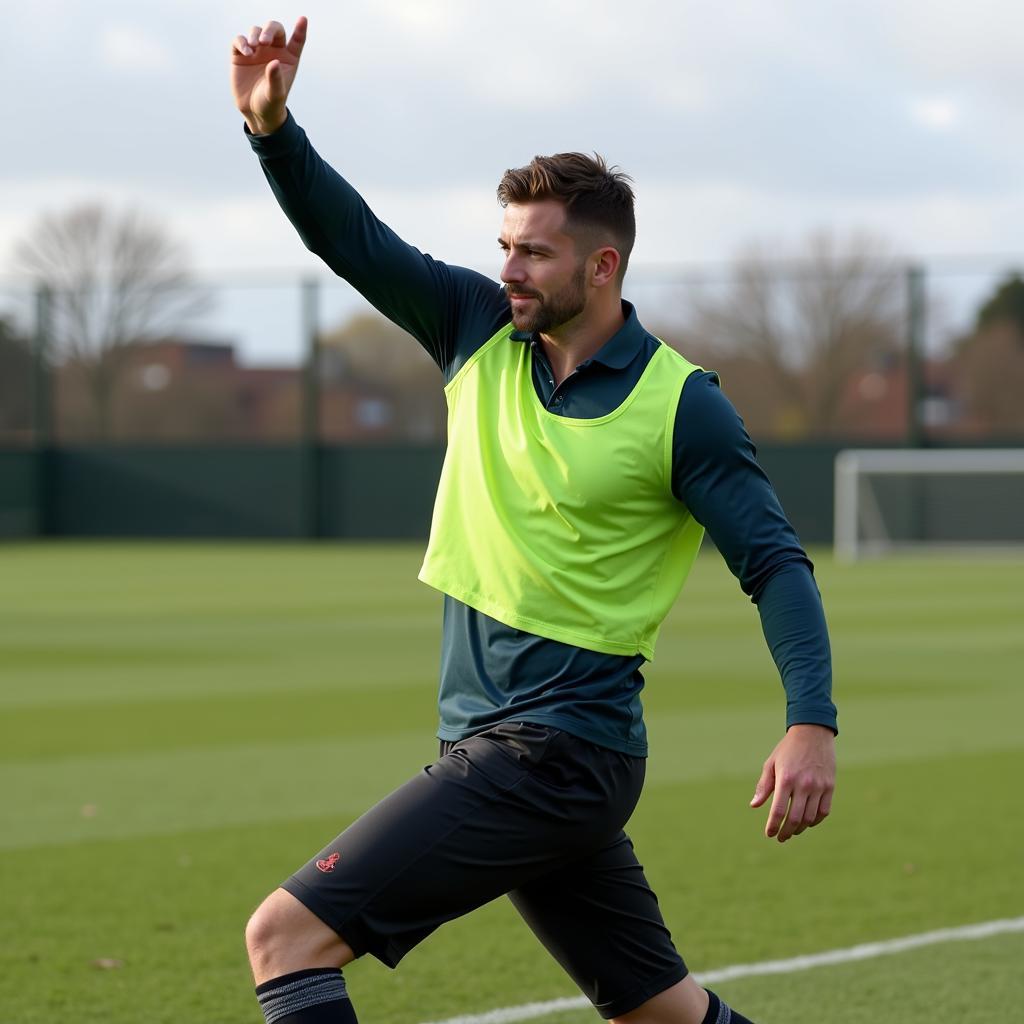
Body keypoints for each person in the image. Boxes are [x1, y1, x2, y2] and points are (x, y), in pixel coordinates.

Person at [232, 17, 837, 1024]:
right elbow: (349, 238)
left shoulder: (683, 405)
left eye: (535, 254)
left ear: (601, 270)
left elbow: (774, 562)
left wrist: (809, 721)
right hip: (528, 752)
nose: (510, 269)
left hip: (549, 753)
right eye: (504, 246)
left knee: (284, 938)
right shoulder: (473, 327)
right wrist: (272, 129)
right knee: (661, 1009)